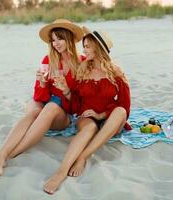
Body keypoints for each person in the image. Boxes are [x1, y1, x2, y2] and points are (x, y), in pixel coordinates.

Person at [0, 19, 84, 176]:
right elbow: (38, 96)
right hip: (45, 106)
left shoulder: (81, 63)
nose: (56, 43)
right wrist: (42, 83)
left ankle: (8, 155)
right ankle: (1, 153)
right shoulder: (48, 60)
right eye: (53, 40)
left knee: (51, 107)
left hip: (63, 114)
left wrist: (67, 91)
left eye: (60, 38)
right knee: (33, 110)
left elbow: (79, 106)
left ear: (69, 38)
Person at [43, 26, 131, 194]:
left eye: (88, 46)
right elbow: (76, 105)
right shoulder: (83, 70)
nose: (84, 50)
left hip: (110, 118)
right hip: (87, 117)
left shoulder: (116, 72)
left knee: (120, 112)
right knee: (89, 127)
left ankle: (83, 156)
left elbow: (124, 106)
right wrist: (66, 90)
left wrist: (102, 114)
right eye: (84, 46)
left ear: (99, 48)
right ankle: (61, 171)